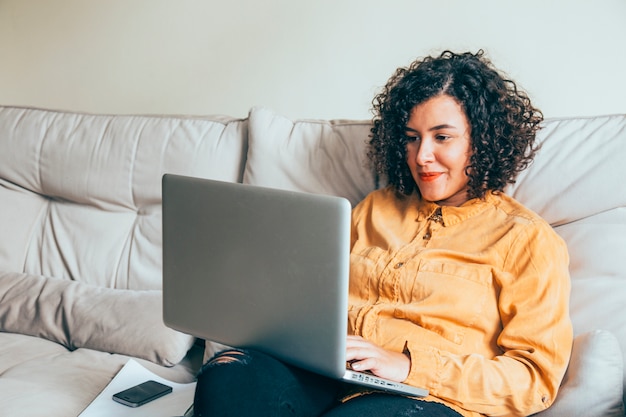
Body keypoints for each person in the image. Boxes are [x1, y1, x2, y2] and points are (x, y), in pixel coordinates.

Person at [192, 50, 573, 417]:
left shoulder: (526, 240)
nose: (421, 156)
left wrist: (409, 366)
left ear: (483, 139)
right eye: (411, 137)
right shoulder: (375, 208)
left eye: (442, 137)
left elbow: (533, 380)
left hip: (429, 398)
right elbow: (313, 302)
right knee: (230, 378)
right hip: (327, 376)